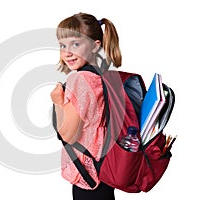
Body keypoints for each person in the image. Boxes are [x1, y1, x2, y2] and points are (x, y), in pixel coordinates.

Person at [50, 13, 122, 200]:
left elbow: (68, 134)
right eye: (62, 45)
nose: (67, 52)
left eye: (76, 44)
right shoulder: (102, 77)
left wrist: (58, 102)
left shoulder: (79, 79)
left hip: (88, 175)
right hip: (104, 168)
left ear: (95, 45)